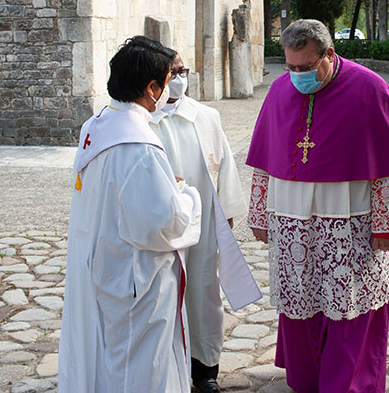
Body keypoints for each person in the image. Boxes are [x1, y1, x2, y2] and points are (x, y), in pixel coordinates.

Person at [246, 19, 389, 393]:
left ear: (329, 54)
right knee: (301, 299)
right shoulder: (279, 90)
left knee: (348, 300)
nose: (297, 75)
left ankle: (348, 383)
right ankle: (306, 378)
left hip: (349, 217)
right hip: (293, 220)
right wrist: (260, 214)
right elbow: (264, 159)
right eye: (290, 67)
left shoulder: (370, 89)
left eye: (306, 67)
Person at [59, 36, 202, 393]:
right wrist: (186, 195)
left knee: (113, 356)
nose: (170, 92)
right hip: (138, 277)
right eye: (167, 84)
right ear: (151, 88)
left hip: (107, 262)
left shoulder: (98, 125)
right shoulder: (138, 146)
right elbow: (161, 224)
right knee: (141, 364)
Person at [150, 53, 260, 393]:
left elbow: (224, 166)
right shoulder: (142, 120)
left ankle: (205, 367)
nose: (181, 78)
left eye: (183, 71)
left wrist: (224, 217)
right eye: (173, 72)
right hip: (157, 227)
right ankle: (164, 364)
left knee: (202, 291)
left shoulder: (206, 116)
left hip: (202, 226)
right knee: (160, 294)